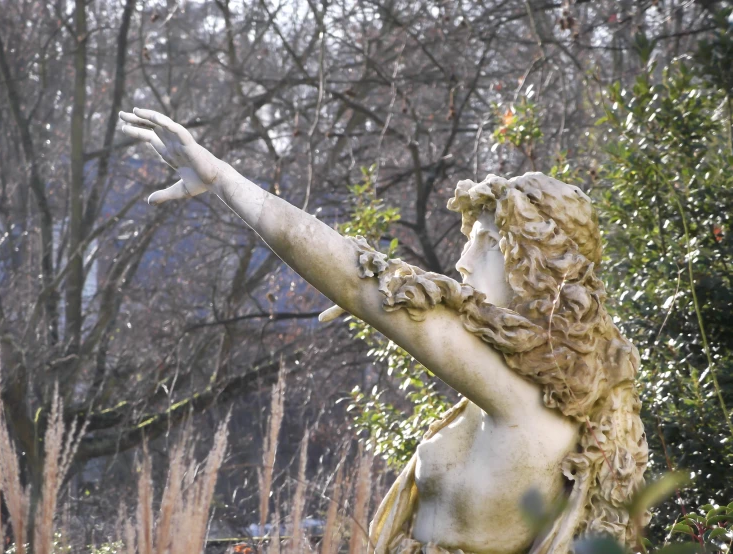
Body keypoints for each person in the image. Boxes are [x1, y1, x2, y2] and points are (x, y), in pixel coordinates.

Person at [120, 108, 648, 554]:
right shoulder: (549, 396)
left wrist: (223, 180)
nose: (463, 261)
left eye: (486, 243)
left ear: (534, 269)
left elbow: (356, 280)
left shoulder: (514, 397)